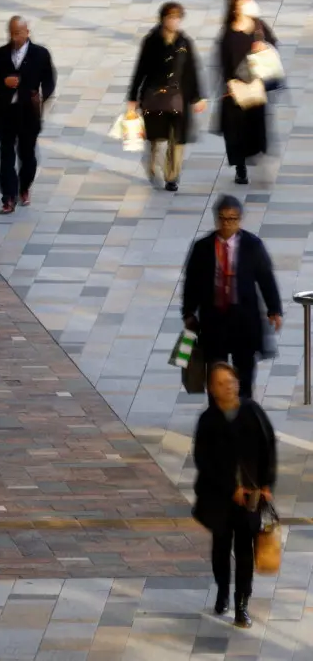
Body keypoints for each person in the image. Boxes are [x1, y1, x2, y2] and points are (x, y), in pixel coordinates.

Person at [193, 362, 276, 629]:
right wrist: (231, 489)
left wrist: (266, 484)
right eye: (221, 383)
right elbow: (204, 461)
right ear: (211, 389)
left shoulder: (252, 411)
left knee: (244, 550)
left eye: (231, 381)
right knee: (220, 548)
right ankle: (222, 591)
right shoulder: (208, 420)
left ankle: (242, 603)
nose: (228, 386)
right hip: (219, 498)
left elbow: (269, 446)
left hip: (250, 498)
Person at [181, 194, 282, 399]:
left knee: (244, 372)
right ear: (217, 219)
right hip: (213, 319)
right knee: (215, 371)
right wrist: (188, 311)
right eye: (223, 219)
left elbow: (265, 277)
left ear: (240, 219)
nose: (227, 224)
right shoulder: (203, 248)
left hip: (243, 319)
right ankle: (216, 413)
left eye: (232, 219)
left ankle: (244, 411)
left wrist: (274, 309)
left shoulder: (252, 246)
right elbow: (192, 281)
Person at [127, 2, 207, 192]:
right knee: (155, 138)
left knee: (177, 138)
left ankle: (172, 176)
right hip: (154, 96)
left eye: (177, 17)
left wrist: (197, 96)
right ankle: (153, 167)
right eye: (171, 17)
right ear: (163, 18)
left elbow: (192, 70)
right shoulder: (151, 41)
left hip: (178, 96)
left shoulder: (184, 42)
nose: (174, 21)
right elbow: (140, 69)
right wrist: (133, 96)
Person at [0, 16, 56, 213]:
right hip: (5, 113)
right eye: (12, 33)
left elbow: (49, 79)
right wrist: (2, 82)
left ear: (27, 32)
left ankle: (24, 186)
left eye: (19, 33)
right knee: (6, 156)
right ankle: (8, 197)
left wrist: (42, 95)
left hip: (28, 114)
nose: (15, 38)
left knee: (27, 155)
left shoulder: (40, 54)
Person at [218, 0, 277, 186]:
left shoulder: (258, 26)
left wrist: (263, 46)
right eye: (245, 1)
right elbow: (223, 61)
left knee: (256, 127)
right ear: (235, 7)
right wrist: (227, 83)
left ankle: (258, 157)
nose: (249, 4)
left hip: (256, 85)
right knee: (235, 131)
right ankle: (240, 168)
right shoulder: (228, 32)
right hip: (236, 88)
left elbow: (273, 42)